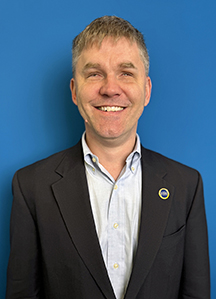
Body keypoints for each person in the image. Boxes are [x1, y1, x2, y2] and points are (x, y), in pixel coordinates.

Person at [6, 16, 210, 299]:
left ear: (146, 90)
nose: (110, 88)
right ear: (75, 91)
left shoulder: (186, 185)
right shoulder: (31, 187)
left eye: (126, 73)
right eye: (94, 74)